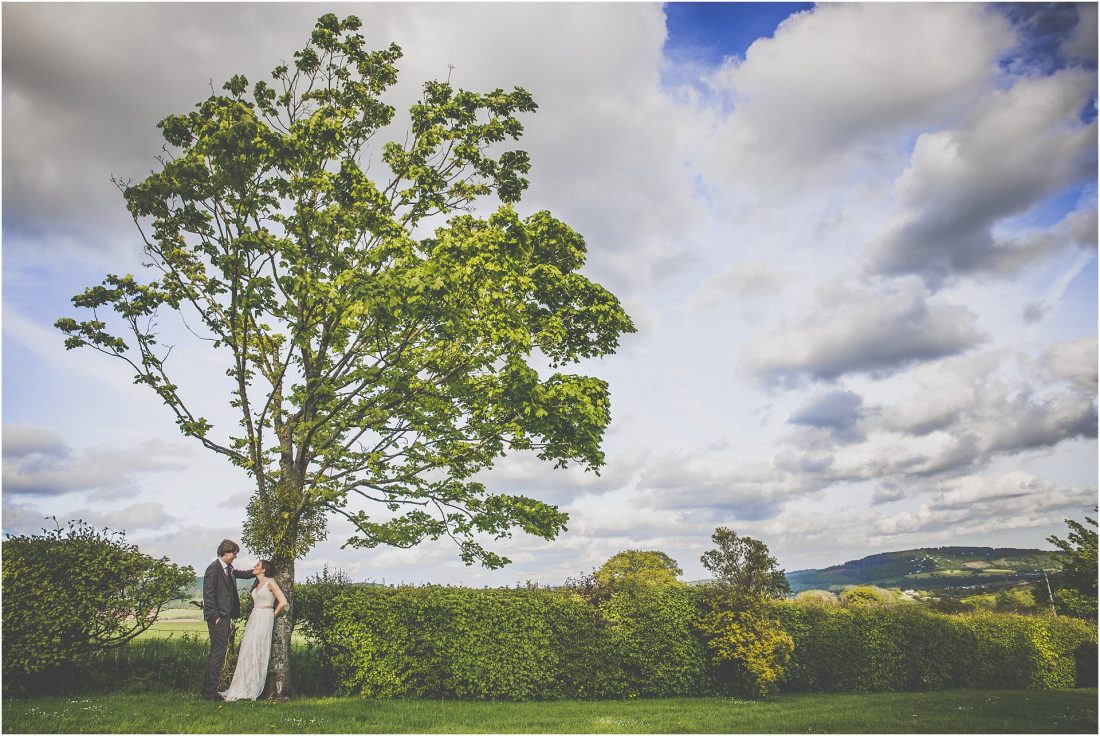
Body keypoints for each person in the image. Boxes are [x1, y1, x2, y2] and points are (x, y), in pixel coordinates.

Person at [220, 559, 288, 701]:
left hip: (265, 616)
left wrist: (272, 615)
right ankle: (242, 686)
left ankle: (252, 688)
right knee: (247, 650)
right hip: (254, 616)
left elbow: (283, 602)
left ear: (263, 569)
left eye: (257, 565)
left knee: (258, 649)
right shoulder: (257, 584)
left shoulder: (270, 582)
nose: (254, 567)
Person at [200, 540, 255, 701]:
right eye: (234, 553)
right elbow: (208, 594)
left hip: (226, 616)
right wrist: (215, 616)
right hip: (218, 619)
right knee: (218, 654)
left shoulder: (229, 568)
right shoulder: (213, 568)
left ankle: (209, 691)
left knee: (219, 653)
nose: (235, 556)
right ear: (225, 552)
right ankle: (209, 693)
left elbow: (242, 574)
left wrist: (258, 570)